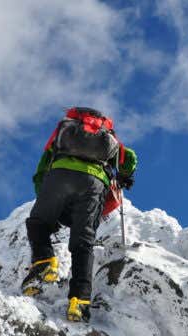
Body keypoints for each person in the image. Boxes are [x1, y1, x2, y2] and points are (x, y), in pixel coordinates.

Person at [21, 107, 137, 322]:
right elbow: (129, 157)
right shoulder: (108, 139)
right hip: (94, 184)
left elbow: (42, 167)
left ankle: (44, 261)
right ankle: (79, 302)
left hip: (59, 176)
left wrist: (45, 200)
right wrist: (124, 176)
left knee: (38, 222)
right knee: (82, 243)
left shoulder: (63, 133)